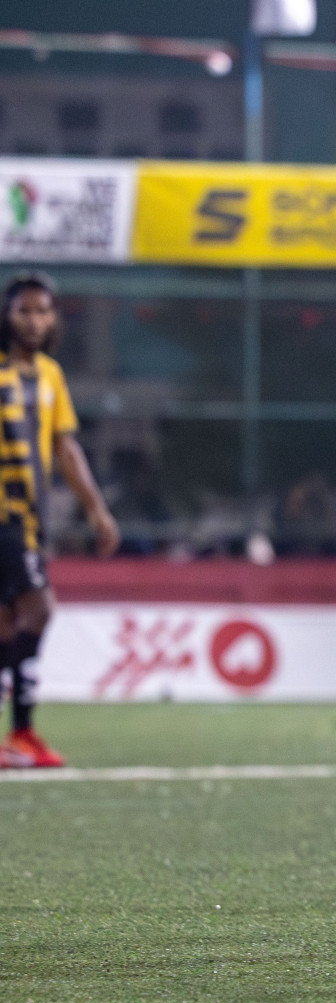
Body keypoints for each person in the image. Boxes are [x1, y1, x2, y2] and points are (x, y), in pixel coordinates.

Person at [0, 272, 120, 768]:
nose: (34, 320)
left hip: (32, 518)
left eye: (43, 311)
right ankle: (22, 731)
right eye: (24, 310)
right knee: (40, 609)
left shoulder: (49, 376)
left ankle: (22, 735)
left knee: (9, 624)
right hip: (3, 517)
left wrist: (95, 507)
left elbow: (64, 445)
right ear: (7, 315)